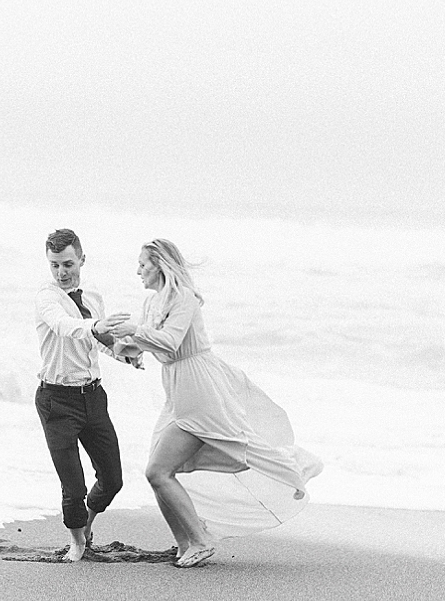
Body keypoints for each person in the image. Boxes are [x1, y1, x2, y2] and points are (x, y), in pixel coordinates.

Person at [109, 239, 323, 568]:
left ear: (161, 266)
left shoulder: (185, 298)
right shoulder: (151, 303)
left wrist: (135, 332)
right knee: (161, 469)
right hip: (177, 391)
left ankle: (202, 539)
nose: (138, 270)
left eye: (143, 264)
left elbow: (169, 340)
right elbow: (145, 345)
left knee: (160, 470)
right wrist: (116, 344)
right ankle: (186, 543)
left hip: (198, 389)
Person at [34, 228, 136, 562]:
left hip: (93, 397)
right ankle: (77, 543)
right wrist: (95, 327)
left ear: (81, 260)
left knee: (112, 479)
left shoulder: (92, 296)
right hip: (56, 401)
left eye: (67, 264)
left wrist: (124, 354)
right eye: (54, 265)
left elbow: (96, 340)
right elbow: (65, 326)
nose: (61, 272)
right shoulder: (47, 298)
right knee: (73, 486)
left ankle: (88, 527)